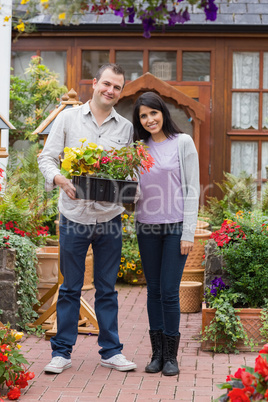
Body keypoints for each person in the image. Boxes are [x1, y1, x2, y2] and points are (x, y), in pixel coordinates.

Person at [38, 63, 137, 374]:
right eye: (106, 83)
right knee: (71, 287)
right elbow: (47, 157)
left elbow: (128, 169)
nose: (110, 90)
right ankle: (61, 352)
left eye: (117, 87)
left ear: (121, 92)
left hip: (110, 217)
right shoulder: (68, 118)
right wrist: (60, 180)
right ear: (95, 83)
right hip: (74, 216)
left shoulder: (125, 128)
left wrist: (129, 188)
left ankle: (111, 351)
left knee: (107, 287)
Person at [132, 92, 200, 376]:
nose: (149, 120)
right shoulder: (138, 149)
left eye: (153, 113)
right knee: (154, 291)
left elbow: (193, 189)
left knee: (170, 292)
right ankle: (157, 353)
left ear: (163, 112)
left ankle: (171, 356)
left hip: (174, 228)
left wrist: (188, 233)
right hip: (146, 226)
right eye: (143, 116)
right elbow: (134, 189)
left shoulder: (182, 142)